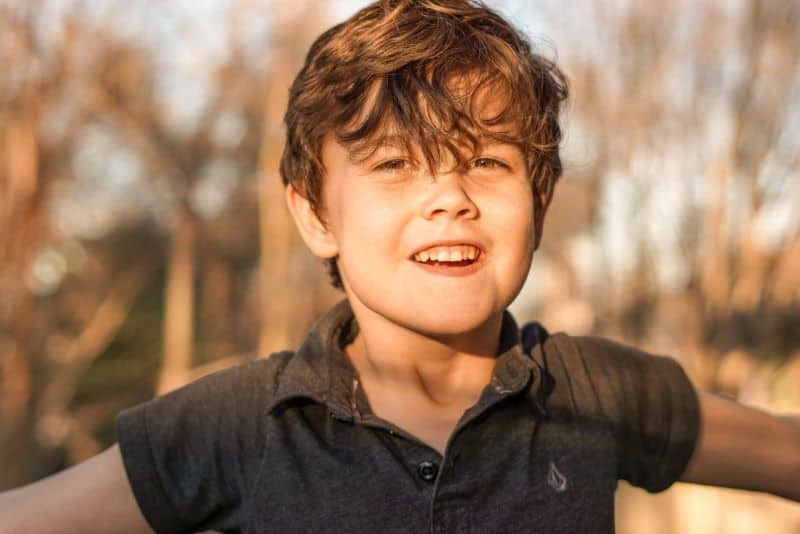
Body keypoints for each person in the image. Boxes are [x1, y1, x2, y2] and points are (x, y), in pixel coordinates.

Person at [1, 0, 798, 532]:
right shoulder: (241, 424)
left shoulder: (598, 394)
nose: (449, 196)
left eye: (487, 163)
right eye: (395, 165)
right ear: (315, 216)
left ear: (541, 205)